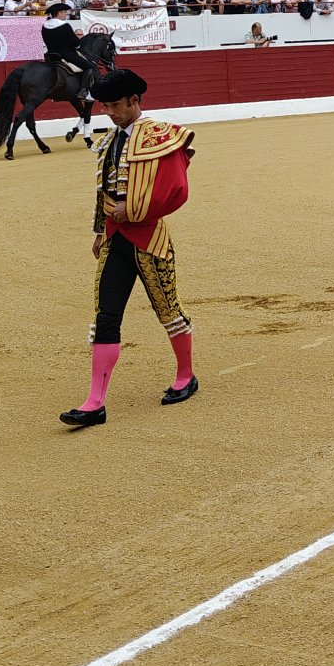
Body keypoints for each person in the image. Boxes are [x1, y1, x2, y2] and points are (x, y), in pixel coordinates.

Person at [59, 69, 198, 428]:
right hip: (115, 239)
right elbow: (102, 192)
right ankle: (94, 403)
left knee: (167, 309)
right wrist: (98, 230)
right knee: (106, 317)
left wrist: (134, 210)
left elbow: (175, 190)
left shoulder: (161, 137)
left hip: (150, 238)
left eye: (116, 105)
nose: (110, 112)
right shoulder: (108, 142)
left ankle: (186, 376)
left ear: (135, 101)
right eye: (105, 106)